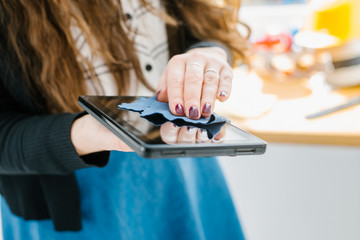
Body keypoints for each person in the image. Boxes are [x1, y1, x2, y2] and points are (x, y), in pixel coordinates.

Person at [0, 0, 249, 239]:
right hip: (71, 193)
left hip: (182, 161)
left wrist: (208, 55)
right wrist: (89, 131)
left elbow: (202, 27)